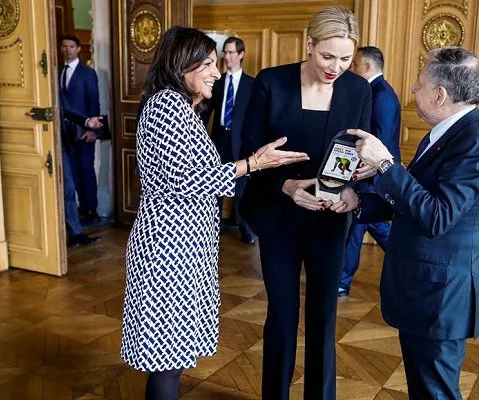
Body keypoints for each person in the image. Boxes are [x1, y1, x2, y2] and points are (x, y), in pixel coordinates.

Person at [120, 26, 309, 400]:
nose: (216, 72)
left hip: (182, 248)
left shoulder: (181, 108)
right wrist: (253, 163)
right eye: (207, 63)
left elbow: (195, 176)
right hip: (168, 251)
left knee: (168, 358)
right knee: (165, 360)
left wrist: (252, 166)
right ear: (181, 64)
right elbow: (188, 181)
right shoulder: (167, 106)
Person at [340, 47, 479, 399]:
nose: (413, 90)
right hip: (426, 290)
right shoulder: (448, 134)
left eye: (419, 82)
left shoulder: (475, 144)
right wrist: (358, 202)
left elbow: (437, 216)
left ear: (440, 94)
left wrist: (387, 165)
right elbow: (415, 199)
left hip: (441, 297)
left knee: (436, 392)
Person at [240, 6, 371, 399]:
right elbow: (250, 153)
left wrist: (354, 191)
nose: (336, 66)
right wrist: (287, 186)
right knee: (281, 315)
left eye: (346, 58)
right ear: (308, 43)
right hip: (279, 216)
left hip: (329, 220)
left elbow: (364, 151)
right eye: (327, 56)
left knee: (323, 317)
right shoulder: (271, 82)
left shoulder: (357, 89)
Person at [338, 46, 401, 297]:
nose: (351, 69)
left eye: (354, 64)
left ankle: (341, 282)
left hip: (372, 174)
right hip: (365, 172)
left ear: (366, 67)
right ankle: (406, 257)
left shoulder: (382, 94)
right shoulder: (372, 91)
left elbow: (381, 138)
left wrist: (372, 169)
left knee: (358, 225)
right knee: (370, 224)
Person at [201, 37, 256, 244]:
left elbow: (254, 117)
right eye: (225, 52)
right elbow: (206, 111)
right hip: (219, 139)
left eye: (232, 52)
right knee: (215, 185)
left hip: (241, 142)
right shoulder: (217, 80)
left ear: (241, 54)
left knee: (241, 189)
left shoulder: (252, 83)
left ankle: (245, 229)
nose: (227, 57)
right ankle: (211, 228)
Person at [59, 34, 101, 224]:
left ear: (77, 49)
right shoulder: (58, 71)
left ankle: (90, 209)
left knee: (86, 169)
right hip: (65, 131)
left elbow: (94, 102)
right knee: (72, 171)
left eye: (71, 46)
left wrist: (93, 130)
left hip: (85, 130)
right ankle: (79, 209)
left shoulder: (87, 73)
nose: (67, 49)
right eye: (64, 46)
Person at [59, 95, 102, 246]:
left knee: (69, 188)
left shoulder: (52, 80)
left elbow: (65, 110)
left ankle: (75, 234)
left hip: (60, 142)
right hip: (40, 140)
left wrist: (87, 121)